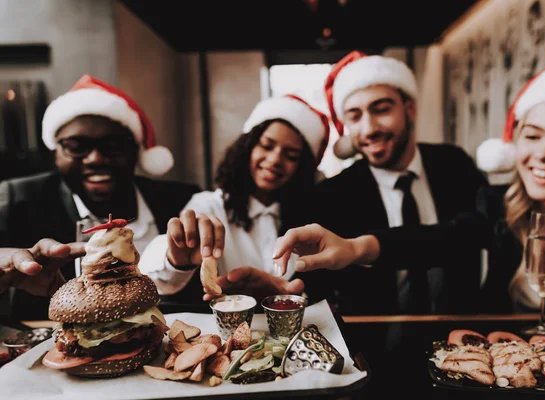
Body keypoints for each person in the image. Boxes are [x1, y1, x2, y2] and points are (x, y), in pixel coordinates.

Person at [272, 54, 545, 317]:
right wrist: (355, 248)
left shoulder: (454, 165)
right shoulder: (501, 206)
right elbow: (439, 238)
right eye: (532, 136)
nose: (544, 154)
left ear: (409, 109)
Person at [300, 50, 488, 315]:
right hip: (373, 347)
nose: (369, 128)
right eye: (355, 116)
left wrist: (364, 247)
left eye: (382, 109)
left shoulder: (453, 164)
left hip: (462, 333)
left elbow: (476, 231)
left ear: (409, 109)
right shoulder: (333, 194)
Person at [0, 75, 200, 320]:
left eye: (113, 145)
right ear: (55, 152)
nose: (95, 159)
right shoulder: (13, 201)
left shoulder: (181, 201)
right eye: (76, 146)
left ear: (136, 150)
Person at [138, 94, 330, 304]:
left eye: (291, 155)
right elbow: (157, 277)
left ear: (302, 168)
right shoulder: (209, 205)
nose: (275, 160)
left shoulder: (311, 217)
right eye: (266, 146)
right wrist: (175, 259)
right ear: (247, 147)